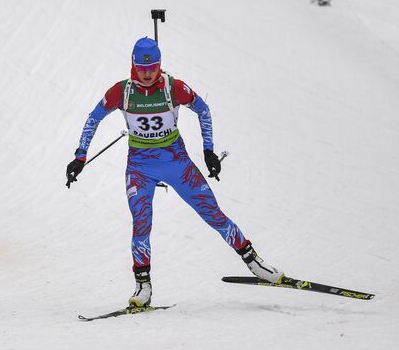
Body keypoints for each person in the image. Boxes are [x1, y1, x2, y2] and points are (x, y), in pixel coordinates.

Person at [66, 37, 284, 307]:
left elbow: (203, 111)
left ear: (159, 65)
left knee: (213, 214)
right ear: (133, 65)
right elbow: (93, 118)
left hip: (177, 163)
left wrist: (208, 151)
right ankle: (142, 286)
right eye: (142, 68)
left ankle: (254, 261)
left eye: (152, 68)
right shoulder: (121, 92)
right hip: (140, 168)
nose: (147, 74)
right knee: (141, 223)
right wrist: (80, 156)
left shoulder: (173, 88)